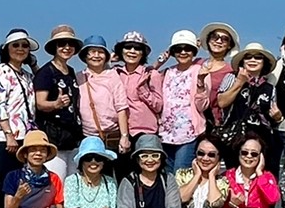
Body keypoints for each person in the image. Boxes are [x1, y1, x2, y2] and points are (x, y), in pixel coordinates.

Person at [213, 43, 281, 168]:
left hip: (261, 141)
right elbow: (222, 102)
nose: (253, 60)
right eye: (248, 57)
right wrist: (240, 82)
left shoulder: (270, 88)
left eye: (258, 57)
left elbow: (272, 119)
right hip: (235, 138)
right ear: (242, 61)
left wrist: (278, 117)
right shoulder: (231, 78)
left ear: (264, 62)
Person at [0, 28, 38, 193]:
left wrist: (33, 63)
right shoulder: (2, 71)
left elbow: (41, 81)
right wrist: (9, 135)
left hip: (25, 135)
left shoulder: (27, 75)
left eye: (24, 45)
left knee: (23, 180)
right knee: (8, 180)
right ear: (7, 49)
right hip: (7, 138)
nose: (20, 49)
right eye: (15, 45)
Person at [156, 30, 210, 171]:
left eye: (188, 49)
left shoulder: (200, 71)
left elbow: (202, 106)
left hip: (189, 134)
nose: (183, 52)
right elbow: (147, 77)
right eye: (178, 49)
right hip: (166, 133)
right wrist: (160, 61)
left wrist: (200, 83)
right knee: (167, 176)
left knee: (180, 174)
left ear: (194, 51)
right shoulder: (167, 72)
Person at [35, 26, 83, 178]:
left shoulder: (71, 71)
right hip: (54, 139)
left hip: (72, 138)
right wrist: (56, 104)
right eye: (62, 43)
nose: (67, 47)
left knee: (72, 183)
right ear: (54, 47)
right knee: (56, 182)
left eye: (70, 44)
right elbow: (40, 103)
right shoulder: (46, 73)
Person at [113, 32, 162, 175]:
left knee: (146, 174)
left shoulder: (151, 74)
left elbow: (158, 105)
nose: (132, 51)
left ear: (143, 53)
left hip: (144, 132)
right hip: (120, 133)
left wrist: (143, 90)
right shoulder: (115, 73)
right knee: (122, 176)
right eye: (128, 47)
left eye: (137, 48)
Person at [76, 35, 131, 157]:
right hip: (87, 137)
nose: (96, 55)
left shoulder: (113, 76)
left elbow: (121, 107)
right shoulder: (78, 77)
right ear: (85, 56)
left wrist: (124, 136)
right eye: (92, 52)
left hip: (111, 136)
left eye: (100, 52)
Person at [198, 23, 238, 131]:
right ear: (208, 40)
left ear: (229, 45)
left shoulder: (231, 71)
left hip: (215, 125)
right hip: (191, 122)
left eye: (224, 39)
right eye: (214, 37)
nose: (219, 41)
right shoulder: (196, 63)